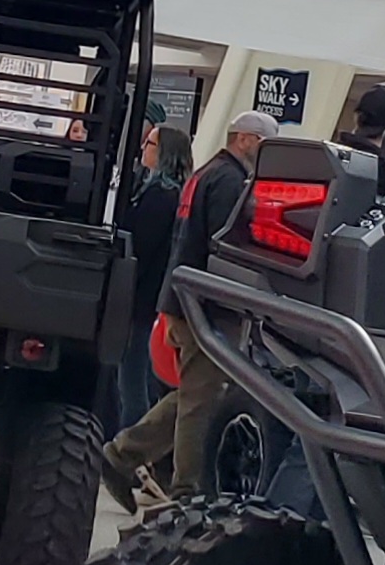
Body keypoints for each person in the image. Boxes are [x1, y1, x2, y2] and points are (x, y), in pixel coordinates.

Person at [103, 108, 273, 506]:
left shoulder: (208, 174)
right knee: (200, 401)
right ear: (245, 138)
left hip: (184, 300)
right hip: (206, 307)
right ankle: (186, 490)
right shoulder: (229, 182)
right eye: (265, 144)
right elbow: (225, 249)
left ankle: (122, 455)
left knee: (195, 393)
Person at [114, 122, 192, 430]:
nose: (143, 148)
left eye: (150, 144)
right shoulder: (170, 194)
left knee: (132, 384)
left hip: (142, 300)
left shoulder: (161, 196)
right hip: (152, 300)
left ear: (164, 153)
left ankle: (130, 446)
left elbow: (141, 246)